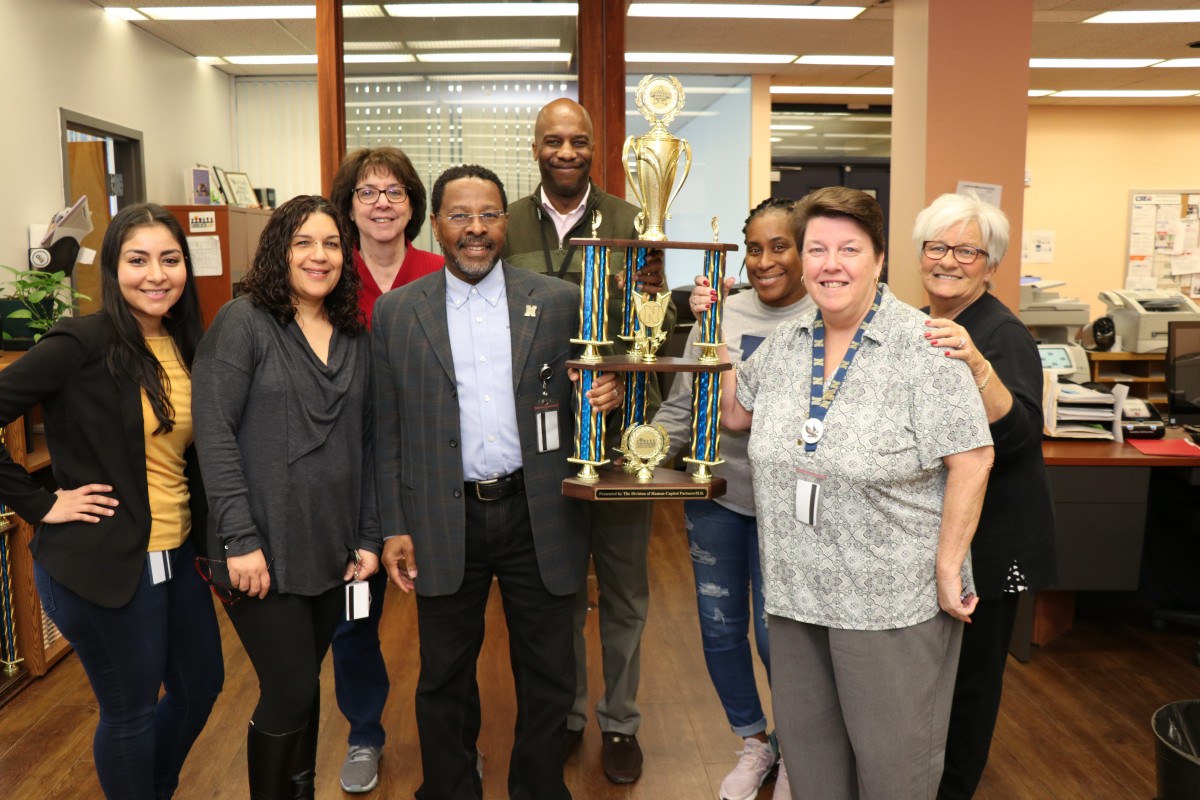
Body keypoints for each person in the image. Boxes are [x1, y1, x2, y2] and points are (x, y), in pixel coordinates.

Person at [694, 186, 994, 799]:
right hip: (797, 593)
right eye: (817, 249)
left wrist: (947, 565)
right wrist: (710, 328)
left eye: (849, 249)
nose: (831, 264)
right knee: (813, 771)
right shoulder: (783, 345)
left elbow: (975, 456)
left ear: (879, 260)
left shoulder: (924, 347)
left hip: (887, 602)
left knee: (892, 775)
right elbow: (734, 414)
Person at [375, 164, 622, 800]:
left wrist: (608, 393)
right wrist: (394, 525)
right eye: (460, 216)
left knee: (548, 671)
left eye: (488, 215)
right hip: (442, 516)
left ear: (505, 223)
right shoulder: (399, 314)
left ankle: (539, 788)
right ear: (436, 226)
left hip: (538, 511)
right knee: (443, 675)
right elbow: (387, 429)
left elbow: (594, 391)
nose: (476, 229)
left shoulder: (558, 301)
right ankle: (450, 787)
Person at [0, 203, 222, 799]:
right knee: (130, 713)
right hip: (104, 565)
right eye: (138, 259)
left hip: (176, 558)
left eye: (170, 259)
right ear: (113, 269)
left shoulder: (186, 342)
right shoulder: (83, 340)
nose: (156, 274)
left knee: (200, 687)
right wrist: (40, 504)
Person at [501, 97, 672, 784]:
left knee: (627, 591)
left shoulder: (636, 222)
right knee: (560, 590)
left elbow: (651, 330)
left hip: (619, 437)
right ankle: (569, 714)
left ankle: (621, 722)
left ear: (595, 146)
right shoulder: (506, 223)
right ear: (536, 147)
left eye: (578, 140)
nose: (566, 152)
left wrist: (626, 390)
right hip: (539, 446)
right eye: (553, 141)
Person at [192, 195, 381, 800]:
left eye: (330, 244)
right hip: (259, 549)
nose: (319, 256)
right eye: (304, 242)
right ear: (280, 250)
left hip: (331, 548)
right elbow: (214, 436)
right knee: (292, 686)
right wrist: (239, 540)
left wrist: (369, 538)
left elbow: (369, 444)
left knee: (302, 683)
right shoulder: (244, 322)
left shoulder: (354, 335)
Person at [655, 198, 811, 800]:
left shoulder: (824, 316)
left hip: (792, 509)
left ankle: (800, 746)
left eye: (780, 246)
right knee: (720, 630)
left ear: (803, 249)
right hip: (717, 497)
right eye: (754, 248)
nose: (766, 260)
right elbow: (680, 406)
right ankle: (754, 743)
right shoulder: (717, 314)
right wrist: (637, 462)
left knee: (781, 639)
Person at [913, 193, 1057, 800]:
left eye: (966, 250)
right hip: (951, 533)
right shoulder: (925, 320)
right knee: (938, 683)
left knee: (971, 686)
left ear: (989, 264)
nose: (949, 260)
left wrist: (978, 367)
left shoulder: (1001, 333)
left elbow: (1022, 434)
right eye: (937, 247)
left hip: (994, 543)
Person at [327, 146, 444, 793]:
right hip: (352, 481)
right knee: (354, 617)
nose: (381, 203)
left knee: (447, 620)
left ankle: (449, 741)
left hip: (433, 471)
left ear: (413, 205)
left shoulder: (441, 269)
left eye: (394, 191)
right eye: (367, 192)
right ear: (349, 206)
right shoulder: (327, 274)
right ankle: (364, 733)